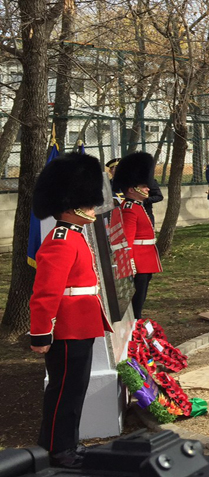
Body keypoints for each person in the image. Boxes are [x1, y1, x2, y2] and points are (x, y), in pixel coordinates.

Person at [29, 152, 112, 468]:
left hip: (83, 324)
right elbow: (45, 294)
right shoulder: (61, 240)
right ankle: (56, 449)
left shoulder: (76, 236)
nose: (93, 207)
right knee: (64, 392)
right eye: (87, 201)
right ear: (69, 204)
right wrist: (41, 333)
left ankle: (68, 443)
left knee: (75, 390)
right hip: (66, 329)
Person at [114, 152, 164, 320]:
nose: (148, 189)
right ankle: (136, 322)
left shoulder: (137, 205)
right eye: (144, 186)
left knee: (142, 294)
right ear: (131, 189)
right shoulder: (129, 208)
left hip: (145, 256)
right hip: (138, 259)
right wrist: (130, 263)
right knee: (137, 298)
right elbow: (127, 239)